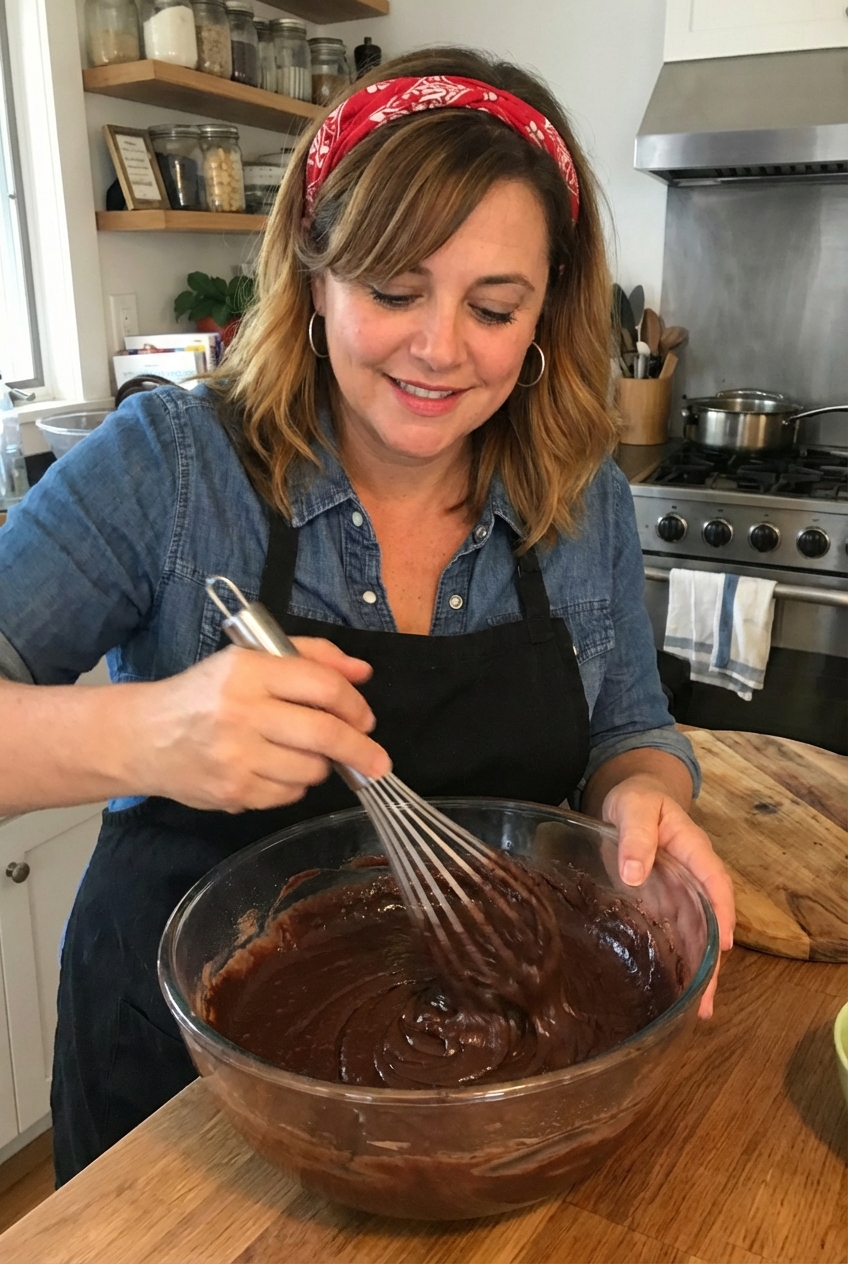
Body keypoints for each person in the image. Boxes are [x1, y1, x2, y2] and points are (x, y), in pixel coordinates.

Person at [0, 46, 734, 1185]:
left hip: (488, 1091)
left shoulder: (581, 498)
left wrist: (645, 796)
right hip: (178, 1111)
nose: (438, 349)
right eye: (393, 290)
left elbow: (626, 727)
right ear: (314, 269)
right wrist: (143, 734)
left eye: (494, 306)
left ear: (549, 305)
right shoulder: (171, 472)